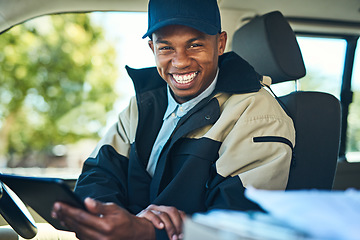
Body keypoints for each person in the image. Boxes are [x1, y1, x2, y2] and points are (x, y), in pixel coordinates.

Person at [51, 0, 295, 239]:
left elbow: (239, 226)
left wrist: (149, 231)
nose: (180, 61)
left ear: (220, 44)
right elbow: (99, 173)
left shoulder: (258, 115)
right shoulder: (143, 103)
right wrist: (105, 218)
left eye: (195, 45)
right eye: (166, 48)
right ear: (152, 49)